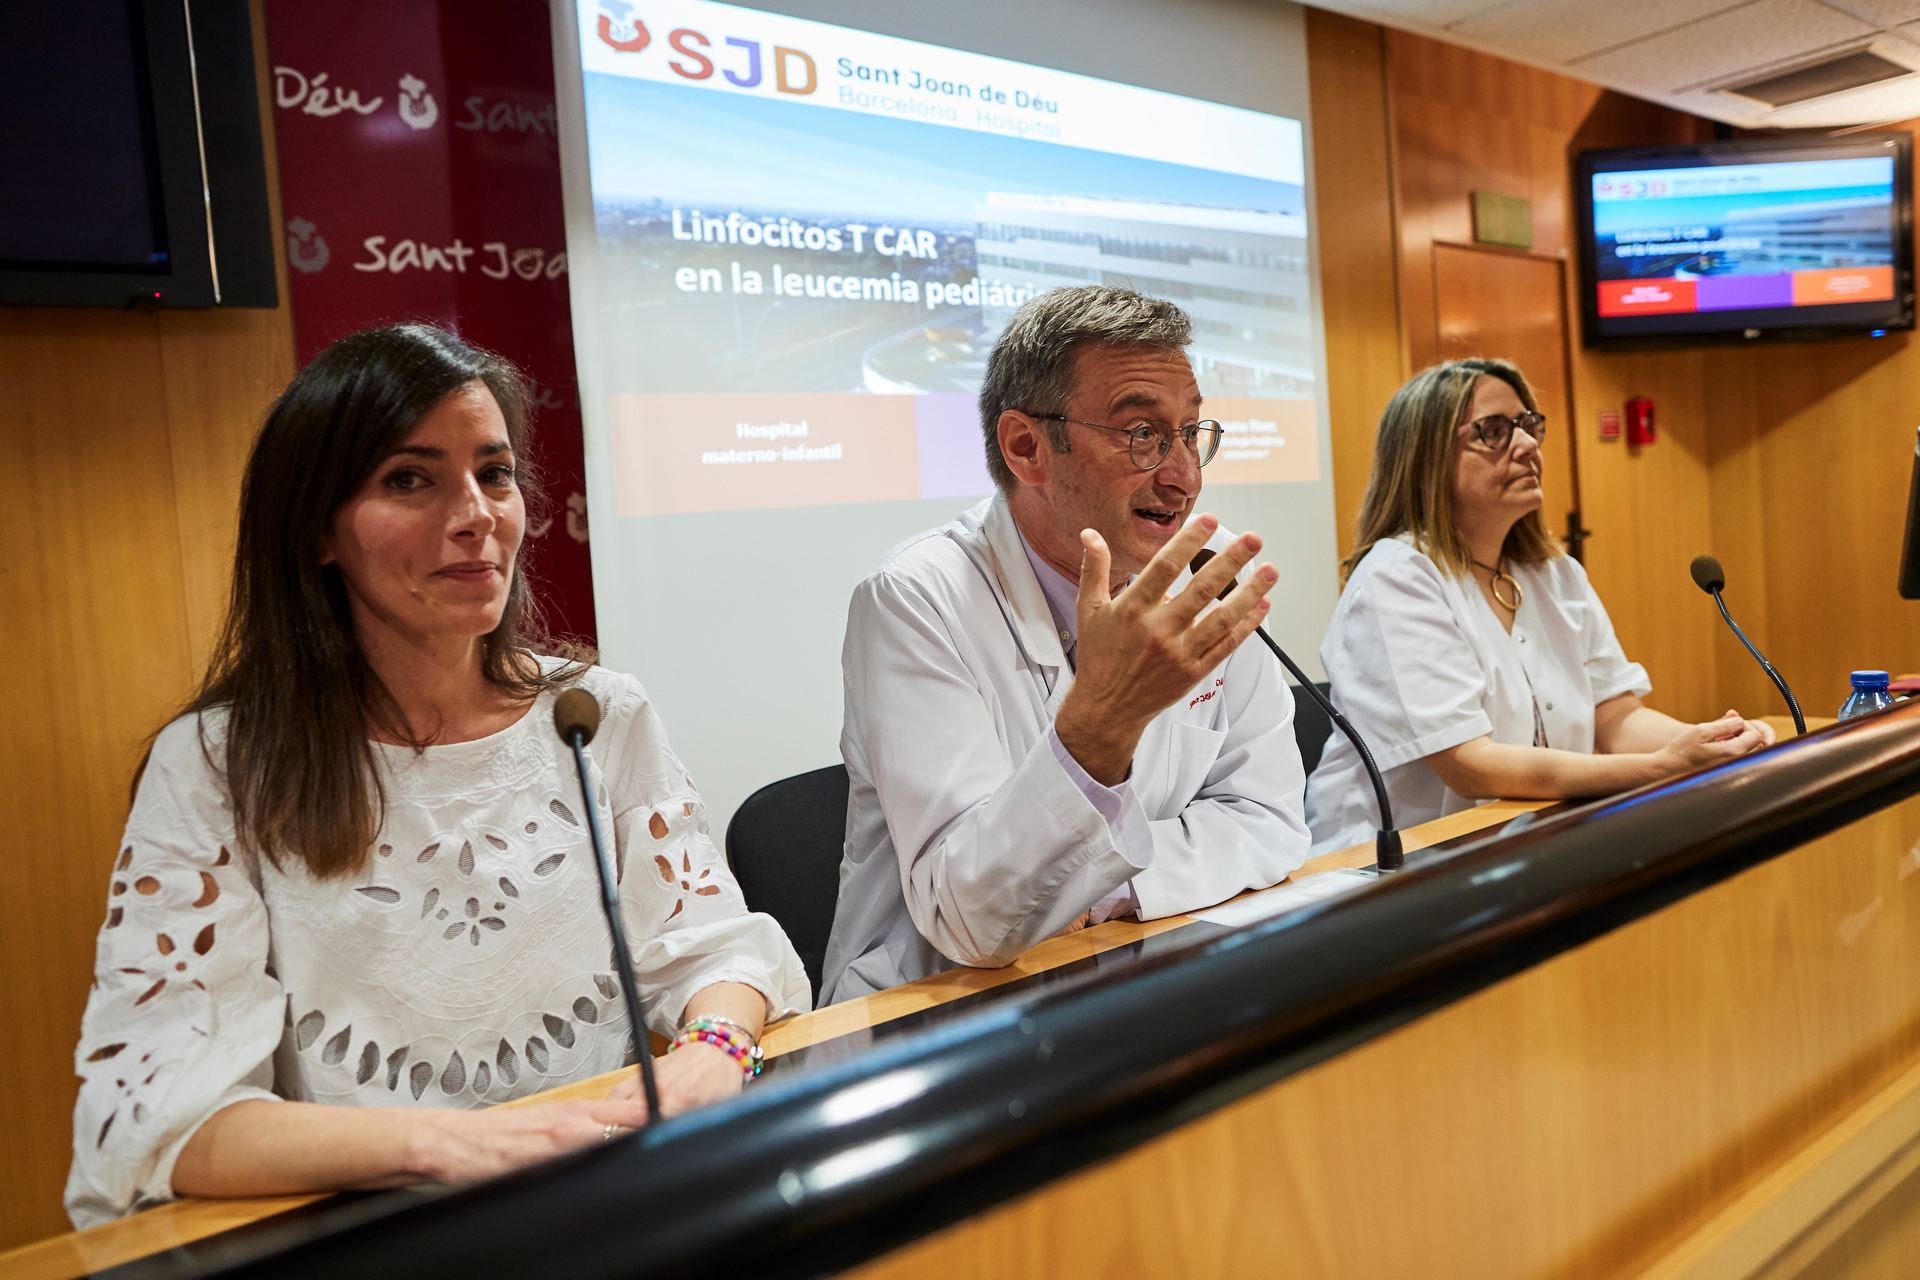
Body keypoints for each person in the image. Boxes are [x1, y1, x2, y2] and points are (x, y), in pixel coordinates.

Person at [66, 324, 809, 1226]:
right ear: (317, 530)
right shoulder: (218, 763)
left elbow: (716, 949)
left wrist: (716, 1048)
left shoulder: (595, 712)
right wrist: (451, 1145)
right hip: (371, 1231)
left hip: (604, 1210)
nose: (476, 515)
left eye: (494, 474)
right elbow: (167, 1123)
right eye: (409, 480)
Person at [821, 285, 1309, 1004]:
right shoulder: (917, 597)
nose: (1184, 476)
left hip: (1140, 967)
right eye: (1142, 433)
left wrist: (1105, 887)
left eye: (1190, 432)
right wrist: (1105, 720)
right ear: (1027, 447)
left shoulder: (1207, 571)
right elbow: (973, 920)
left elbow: (1269, 821)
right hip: (936, 1014)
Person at [1304, 358, 1773, 854]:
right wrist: (1663, 766)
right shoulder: (1397, 577)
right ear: (1426, 456)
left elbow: (1616, 719)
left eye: (1528, 425)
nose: (1527, 445)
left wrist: (1715, 742)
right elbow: (1469, 765)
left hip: (1524, 843)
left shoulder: (1554, 573)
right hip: (1382, 869)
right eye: (1493, 430)